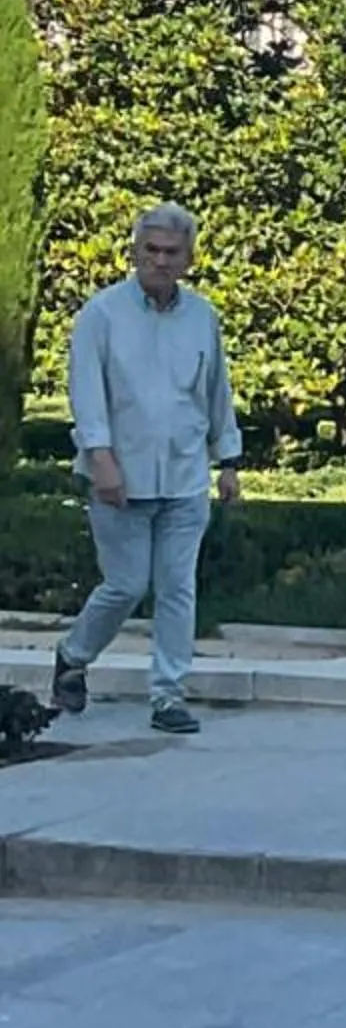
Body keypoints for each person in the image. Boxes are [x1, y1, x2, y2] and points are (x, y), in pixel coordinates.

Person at [50, 204, 243, 735]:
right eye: (151, 250)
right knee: (126, 584)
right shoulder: (102, 314)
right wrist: (100, 456)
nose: (160, 261)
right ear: (135, 252)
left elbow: (216, 392)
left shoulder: (202, 317)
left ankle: (168, 695)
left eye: (171, 252)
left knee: (178, 586)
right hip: (120, 473)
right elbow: (86, 391)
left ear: (188, 258)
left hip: (185, 475)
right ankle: (73, 655)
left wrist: (228, 459)